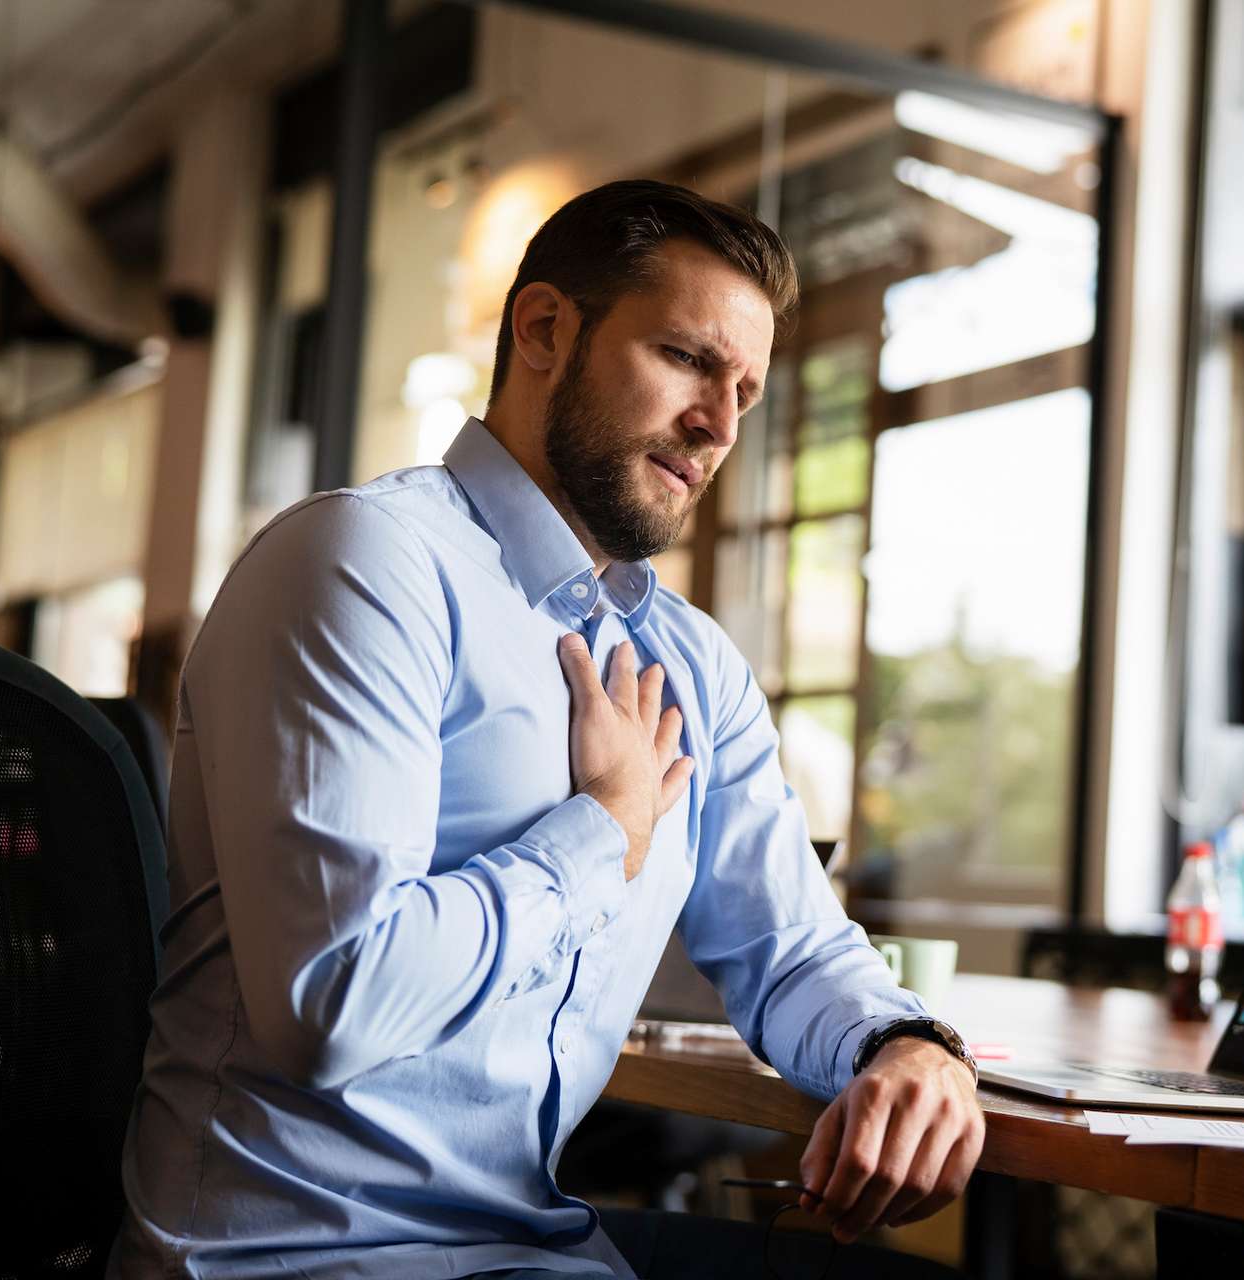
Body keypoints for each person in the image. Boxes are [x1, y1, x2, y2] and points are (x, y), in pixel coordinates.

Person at [110, 180, 984, 1278]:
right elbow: (330, 1001)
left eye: (745, 391)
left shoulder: (692, 667)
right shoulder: (363, 563)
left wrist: (906, 1043)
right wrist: (598, 832)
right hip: (297, 1259)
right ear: (544, 330)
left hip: (528, 1242)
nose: (720, 424)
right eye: (686, 358)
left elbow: (792, 946)